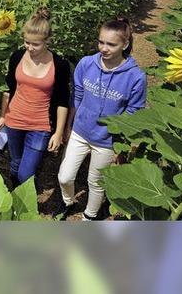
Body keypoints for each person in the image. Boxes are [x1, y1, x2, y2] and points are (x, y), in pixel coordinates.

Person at [57, 18, 146, 220]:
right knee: (65, 176)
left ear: (125, 44)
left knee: (95, 182)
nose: (104, 48)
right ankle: (68, 202)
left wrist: (120, 143)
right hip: (80, 131)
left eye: (111, 44)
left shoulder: (135, 76)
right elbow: (77, 96)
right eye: (101, 42)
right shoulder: (86, 64)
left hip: (107, 139)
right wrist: (70, 125)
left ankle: (90, 215)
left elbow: (134, 111)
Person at [0, 8, 71, 188]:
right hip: (14, 120)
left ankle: (27, 194)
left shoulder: (59, 65)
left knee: (26, 172)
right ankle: (18, 201)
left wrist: (58, 132)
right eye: (26, 42)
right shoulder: (17, 57)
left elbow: (62, 101)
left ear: (47, 41)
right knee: (14, 165)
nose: (29, 48)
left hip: (40, 125)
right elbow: (9, 90)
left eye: (35, 44)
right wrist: (3, 115)